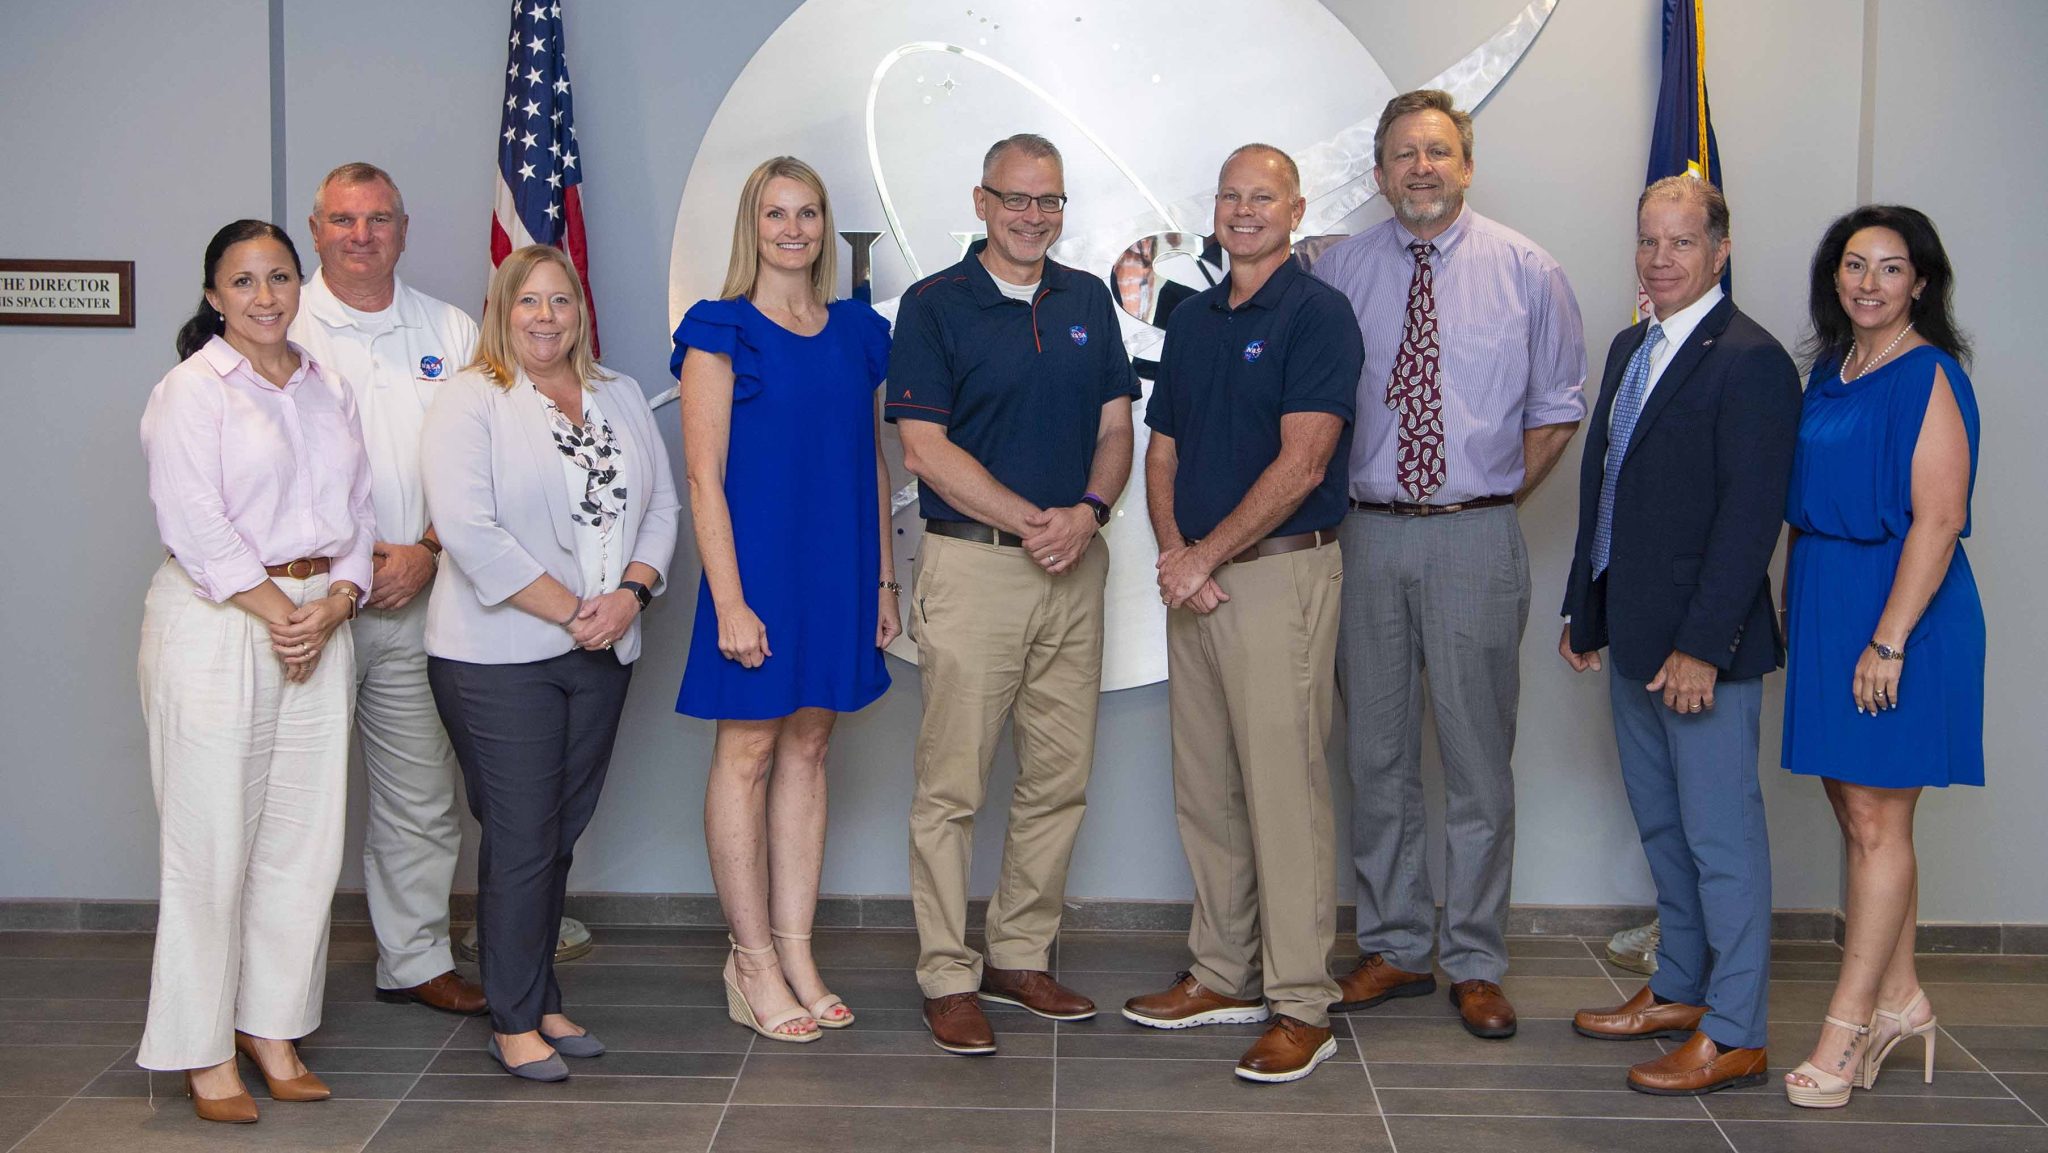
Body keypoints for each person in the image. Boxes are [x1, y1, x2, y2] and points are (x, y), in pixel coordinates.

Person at [1311, 88, 1587, 1040]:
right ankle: (1392, 943)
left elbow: (1557, 408)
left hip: (1476, 532)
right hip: (1366, 533)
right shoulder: (1337, 271)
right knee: (1376, 752)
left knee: (1476, 759)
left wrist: (1493, 494)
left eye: (1437, 152)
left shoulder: (1529, 272)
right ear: (1380, 172)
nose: (1420, 168)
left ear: (1466, 165)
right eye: (1402, 154)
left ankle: (1472, 957)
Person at [888, 133, 1138, 1055]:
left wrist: (1089, 509)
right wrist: (1039, 519)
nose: (1034, 217)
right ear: (982, 201)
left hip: (1078, 563)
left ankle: (1019, 953)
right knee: (950, 786)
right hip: (977, 567)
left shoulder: (1089, 299)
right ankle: (948, 973)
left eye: (1050, 202)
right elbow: (924, 448)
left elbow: (1117, 425)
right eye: (1017, 199)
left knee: (1057, 778)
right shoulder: (933, 305)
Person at [1121, 144, 1361, 1084]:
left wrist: (1203, 556)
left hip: (1279, 577)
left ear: (1296, 210)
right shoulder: (1194, 318)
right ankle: (1223, 972)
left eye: (1263, 197)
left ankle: (1303, 1000)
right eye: (1230, 195)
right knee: (1208, 788)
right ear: (1213, 209)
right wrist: (1179, 557)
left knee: (1284, 792)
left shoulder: (1318, 314)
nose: (1244, 210)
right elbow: (1162, 450)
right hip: (1200, 581)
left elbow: (1304, 463)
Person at [1560, 177, 1800, 1096]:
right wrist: (1588, 604)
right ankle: (1684, 989)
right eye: (1649, 242)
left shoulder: (1751, 359)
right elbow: (1609, 488)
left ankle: (1736, 1031)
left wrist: (1703, 644)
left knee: (1721, 839)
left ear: (1721, 250)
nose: (1661, 260)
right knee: (1665, 828)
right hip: (1632, 634)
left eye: (1682, 244)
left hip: (1703, 651)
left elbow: (1750, 520)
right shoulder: (1631, 346)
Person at [420, 245, 678, 1081]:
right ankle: (513, 1019)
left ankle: (539, 994)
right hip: (500, 657)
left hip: (605, 647)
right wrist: (573, 609)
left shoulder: (621, 394)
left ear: (580, 311)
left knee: (557, 834)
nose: (545, 316)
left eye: (560, 301)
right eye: (528, 301)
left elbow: (662, 505)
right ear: (503, 308)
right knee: (524, 834)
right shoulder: (470, 398)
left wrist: (631, 595)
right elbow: (469, 531)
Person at [138, 219, 375, 1122]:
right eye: (245, 282)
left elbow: (359, 510)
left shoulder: (327, 387)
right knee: (210, 844)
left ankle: (271, 1026)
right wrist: (285, 616)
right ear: (214, 296)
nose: (267, 296)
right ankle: (201, 1049)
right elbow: (195, 519)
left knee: (302, 841)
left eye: (279, 277)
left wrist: (337, 603)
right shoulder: (190, 392)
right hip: (222, 624)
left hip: (319, 619)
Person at [673, 156, 898, 1043]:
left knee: (810, 743)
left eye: (809, 213)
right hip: (756, 572)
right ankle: (751, 959)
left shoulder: (855, 331)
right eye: (776, 213)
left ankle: (798, 951)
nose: (795, 229)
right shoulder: (719, 327)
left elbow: (871, 464)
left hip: (839, 567)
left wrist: (884, 578)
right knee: (750, 752)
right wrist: (729, 600)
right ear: (752, 225)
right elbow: (703, 476)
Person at [1779, 205, 1982, 1108]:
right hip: (1829, 599)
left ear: (1921, 284)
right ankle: (1901, 997)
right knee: (1853, 809)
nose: (1869, 282)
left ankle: (1849, 1027)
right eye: (1854, 266)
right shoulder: (1831, 370)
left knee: (1877, 822)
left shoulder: (1929, 374)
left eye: (1890, 268)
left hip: (1898, 611)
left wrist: (1888, 639)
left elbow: (1938, 519)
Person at [286, 161, 487, 1017]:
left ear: (404, 229)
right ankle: (278, 983)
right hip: (299, 610)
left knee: (422, 797)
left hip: (413, 598)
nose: (360, 236)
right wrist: (347, 567)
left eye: (377, 220)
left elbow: (487, 462)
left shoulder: (451, 328)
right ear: (314, 228)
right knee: (294, 799)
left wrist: (432, 550)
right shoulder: (275, 319)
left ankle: (414, 958)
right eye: (342, 220)